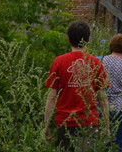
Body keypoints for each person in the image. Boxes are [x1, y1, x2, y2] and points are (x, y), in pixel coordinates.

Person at [43, 20, 109, 150]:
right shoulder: (95, 63)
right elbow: (103, 98)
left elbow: (52, 97)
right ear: (88, 39)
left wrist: (46, 124)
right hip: (88, 122)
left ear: (68, 39)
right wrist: (106, 126)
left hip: (65, 122)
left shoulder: (59, 62)